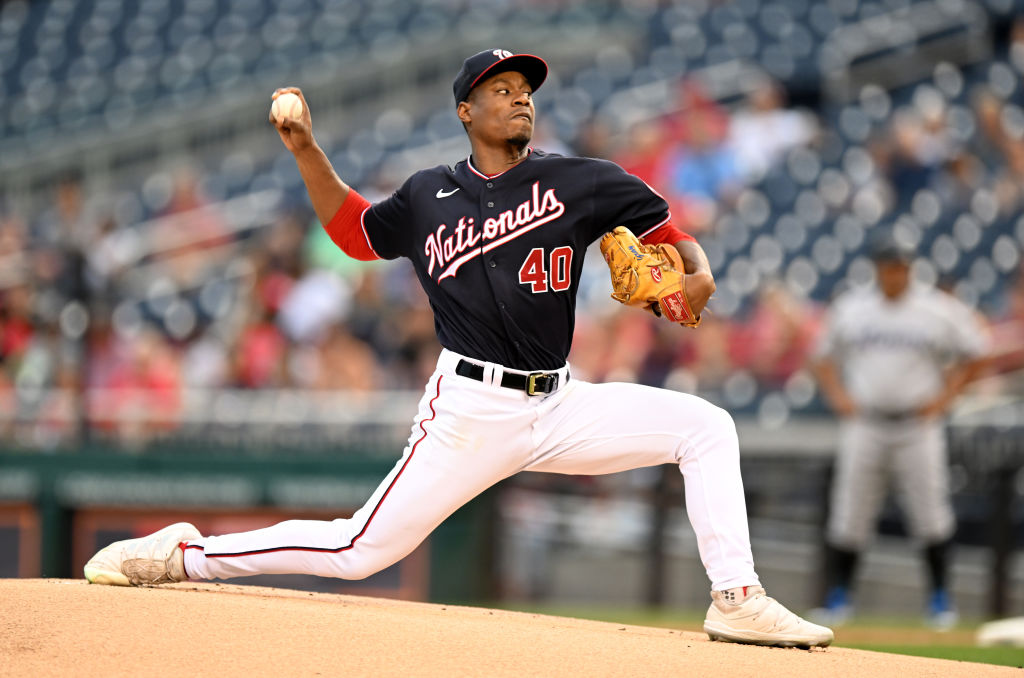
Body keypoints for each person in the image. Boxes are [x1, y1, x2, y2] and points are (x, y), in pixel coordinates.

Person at [83, 49, 833, 648]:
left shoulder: (581, 181)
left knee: (707, 427)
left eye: (526, 90)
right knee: (359, 550)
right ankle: (184, 556)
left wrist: (698, 273)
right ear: (465, 112)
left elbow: (667, 230)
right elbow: (355, 234)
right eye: (501, 89)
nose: (520, 99)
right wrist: (308, 150)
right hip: (470, 410)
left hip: (560, 403)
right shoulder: (426, 195)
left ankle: (737, 597)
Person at [810, 233, 990, 629]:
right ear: (878, 268)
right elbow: (821, 356)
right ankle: (839, 598)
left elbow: (978, 350)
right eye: (890, 266)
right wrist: (838, 395)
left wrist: (946, 397)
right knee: (850, 513)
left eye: (902, 267)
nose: (896, 273)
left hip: (918, 425)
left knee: (931, 513)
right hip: (866, 422)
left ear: (910, 268)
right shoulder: (854, 307)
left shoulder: (935, 308)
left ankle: (940, 601)